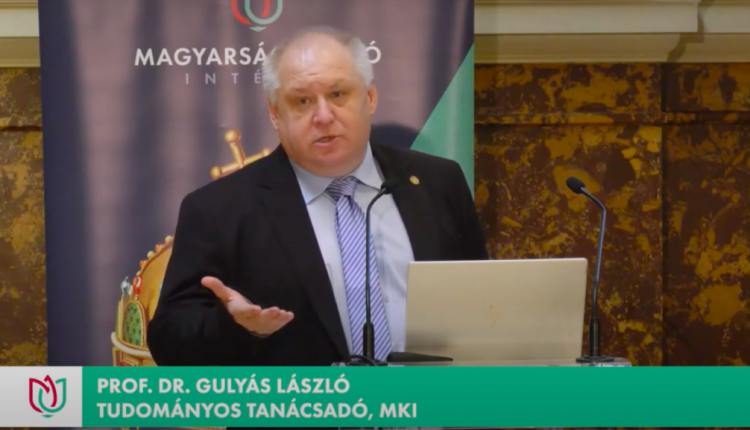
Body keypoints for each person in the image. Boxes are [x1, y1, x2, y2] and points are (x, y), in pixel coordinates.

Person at [147, 26, 488, 367]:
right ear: (274, 113)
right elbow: (169, 343)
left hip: (430, 399)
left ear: (370, 97)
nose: (324, 116)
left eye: (338, 94)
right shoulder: (218, 209)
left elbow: (480, 303)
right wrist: (235, 326)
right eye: (302, 101)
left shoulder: (437, 183)